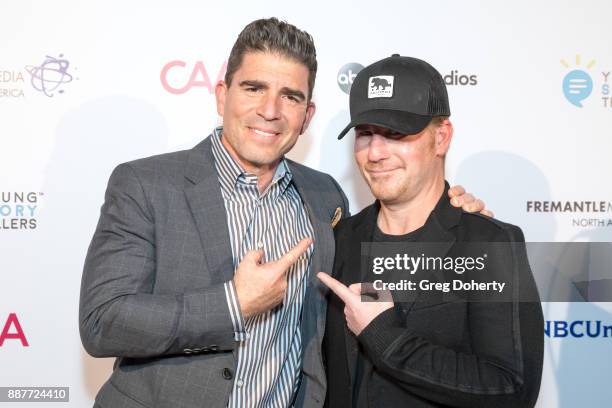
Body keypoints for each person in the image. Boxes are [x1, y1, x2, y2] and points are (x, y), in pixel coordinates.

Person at [79, 19, 487, 408]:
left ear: (307, 116)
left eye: (290, 96)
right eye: (254, 88)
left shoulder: (325, 196)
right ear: (222, 95)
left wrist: (452, 211)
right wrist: (232, 305)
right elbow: (101, 322)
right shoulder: (147, 184)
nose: (270, 110)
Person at [319, 55, 544, 408]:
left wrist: (385, 337)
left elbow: (511, 389)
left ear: (441, 138)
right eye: (365, 134)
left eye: (395, 133)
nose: (375, 152)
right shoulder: (339, 238)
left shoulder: (487, 244)